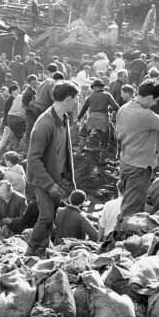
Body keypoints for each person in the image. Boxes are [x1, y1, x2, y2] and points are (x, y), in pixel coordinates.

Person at [24, 81, 80, 256]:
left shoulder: (63, 119)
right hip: (43, 180)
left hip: (59, 177)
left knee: (52, 217)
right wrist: (49, 184)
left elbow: (65, 150)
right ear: (68, 99)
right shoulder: (44, 124)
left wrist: (69, 179)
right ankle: (30, 250)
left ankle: (44, 248)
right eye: (75, 99)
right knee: (47, 216)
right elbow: (33, 159)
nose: (76, 102)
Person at [115, 79, 159, 216]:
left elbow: (118, 136)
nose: (155, 104)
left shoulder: (123, 109)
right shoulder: (145, 115)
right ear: (150, 97)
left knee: (127, 202)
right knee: (132, 210)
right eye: (155, 101)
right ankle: (123, 235)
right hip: (139, 168)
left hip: (126, 161)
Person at [77, 79, 119, 149]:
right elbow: (115, 107)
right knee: (105, 138)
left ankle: (80, 149)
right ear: (101, 87)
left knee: (83, 133)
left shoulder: (90, 97)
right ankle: (102, 156)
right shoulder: (107, 95)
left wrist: (79, 118)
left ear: (94, 88)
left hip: (91, 119)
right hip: (103, 119)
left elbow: (84, 108)